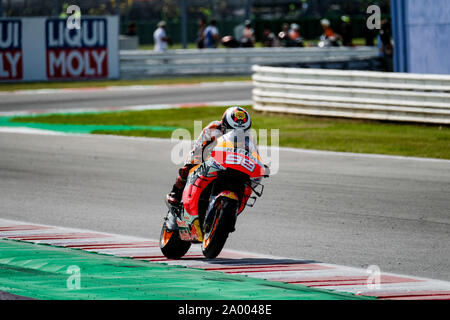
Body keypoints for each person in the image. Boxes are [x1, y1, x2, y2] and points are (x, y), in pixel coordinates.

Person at [165, 107, 254, 230]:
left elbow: (254, 156)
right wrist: (197, 160)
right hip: (208, 160)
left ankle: (225, 216)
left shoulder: (248, 139)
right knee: (188, 168)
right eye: (232, 130)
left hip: (231, 167)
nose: (237, 134)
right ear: (224, 125)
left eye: (242, 131)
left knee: (248, 183)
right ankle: (176, 192)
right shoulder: (213, 128)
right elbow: (198, 146)